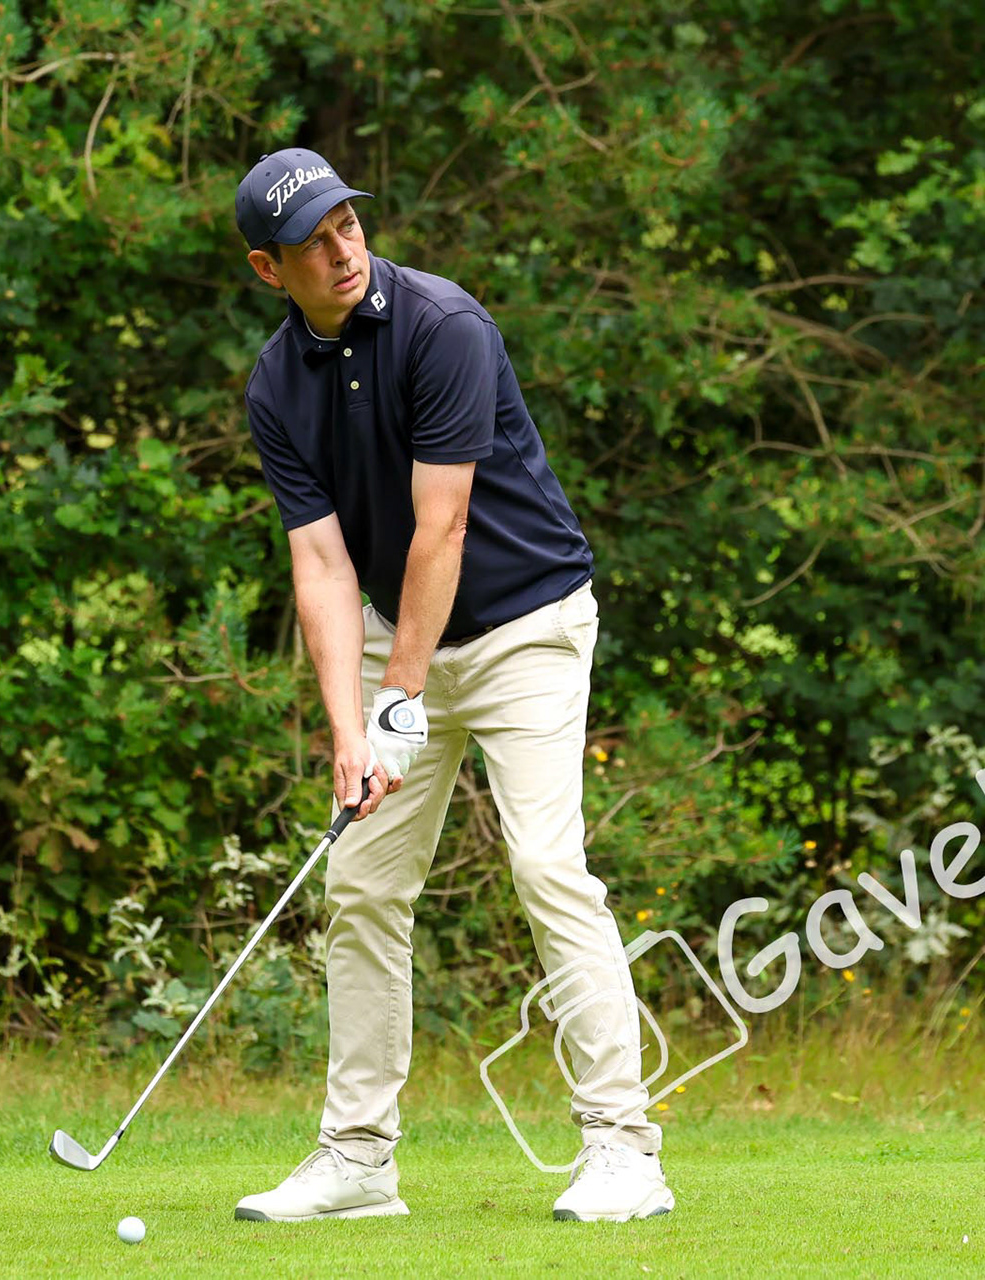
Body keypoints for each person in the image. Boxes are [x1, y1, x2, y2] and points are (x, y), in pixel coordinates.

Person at [227, 148, 670, 1224]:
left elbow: (444, 525)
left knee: (546, 864)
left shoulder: (443, 326)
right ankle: (358, 1160)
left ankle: (624, 1152)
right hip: (397, 635)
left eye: (347, 225)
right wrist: (350, 728)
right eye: (313, 242)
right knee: (363, 887)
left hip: (528, 624)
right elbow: (324, 567)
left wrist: (400, 697)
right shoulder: (276, 388)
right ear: (267, 269)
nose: (342, 249)